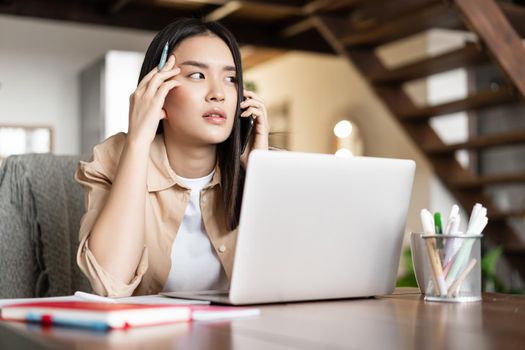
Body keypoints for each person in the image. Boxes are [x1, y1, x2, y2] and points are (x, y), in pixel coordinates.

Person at [75, 18, 269, 297]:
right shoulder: (110, 159)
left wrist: (261, 178)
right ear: (157, 86)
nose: (218, 94)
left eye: (230, 79)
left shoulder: (262, 163)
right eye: (197, 75)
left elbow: (290, 284)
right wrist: (138, 141)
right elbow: (111, 284)